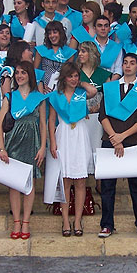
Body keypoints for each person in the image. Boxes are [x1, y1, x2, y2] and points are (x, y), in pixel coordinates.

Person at [98, 52, 137, 238]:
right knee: (107, 186)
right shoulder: (110, 87)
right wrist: (114, 137)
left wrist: (122, 137)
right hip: (110, 140)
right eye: (125, 63)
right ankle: (106, 225)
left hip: (132, 141)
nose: (128, 66)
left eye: (132, 63)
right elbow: (102, 115)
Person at [0, 61, 47, 240]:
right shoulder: (9, 97)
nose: (19, 76)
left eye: (23, 72)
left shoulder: (39, 98)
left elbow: (43, 124)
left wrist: (43, 147)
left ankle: (26, 222)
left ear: (30, 75)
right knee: (14, 185)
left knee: (29, 184)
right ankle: (16, 221)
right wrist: (1, 148)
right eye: (17, 73)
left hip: (32, 143)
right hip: (13, 143)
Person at [47, 62, 98, 237]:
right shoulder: (56, 96)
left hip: (80, 135)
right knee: (65, 181)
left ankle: (77, 220)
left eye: (76, 76)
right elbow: (51, 120)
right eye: (70, 76)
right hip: (63, 135)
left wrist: (81, 82)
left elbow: (94, 91)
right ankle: (65, 220)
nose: (74, 79)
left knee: (81, 181)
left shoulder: (81, 93)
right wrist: (52, 142)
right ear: (64, 78)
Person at [77, 41, 112, 182]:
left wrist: (99, 107)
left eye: (83, 51)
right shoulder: (75, 74)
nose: (80, 54)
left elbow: (109, 97)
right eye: (79, 51)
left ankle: (99, 181)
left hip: (98, 118)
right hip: (81, 117)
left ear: (91, 53)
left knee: (98, 148)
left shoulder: (103, 74)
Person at [72, 15, 122, 80]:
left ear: (109, 29)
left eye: (106, 26)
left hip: (110, 81)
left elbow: (118, 69)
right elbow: (81, 66)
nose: (103, 28)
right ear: (94, 29)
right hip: (88, 81)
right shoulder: (86, 45)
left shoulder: (117, 47)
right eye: (99, 25)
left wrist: (109, 84)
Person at [34, 21, 77, 93]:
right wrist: (40, 85)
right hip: (44, 89)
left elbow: (70, 73)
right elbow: (35, 71)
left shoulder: (69, 52)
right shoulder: (41, 50)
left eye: (55, 32)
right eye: (49, 33)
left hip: (62, 89)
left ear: (60, 33)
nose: (52, 35)